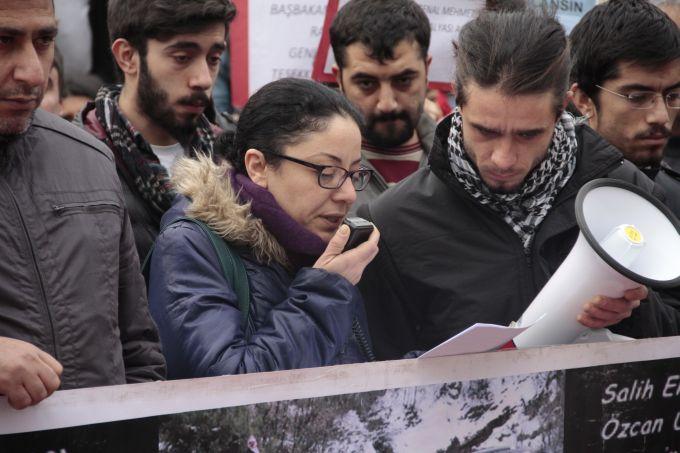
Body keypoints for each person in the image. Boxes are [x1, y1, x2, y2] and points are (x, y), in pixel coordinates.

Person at [357, 9, 680, 360]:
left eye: (528, 134)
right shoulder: (392, 223)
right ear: (458, 102)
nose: (503, 158)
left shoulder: (627, 192)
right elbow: (378, 374)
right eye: (485, 131)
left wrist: (637, 311)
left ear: (561, 112)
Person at [147, 78, 379, 378]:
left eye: (354, 173)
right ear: (258, 166)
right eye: (328, 172)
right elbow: (230, 389)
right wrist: (324, 292)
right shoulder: (188, 246)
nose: (348, 194)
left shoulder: (333, 247)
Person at [0, 0, 164, 410]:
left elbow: (138, 348)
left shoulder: (89, 160)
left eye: (44, 40)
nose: (34, 72)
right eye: (3, 41)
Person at [77, 0, 236, 262]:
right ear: (127, 57)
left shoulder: (236, 151)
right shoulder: (76, 159)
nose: (204, 79)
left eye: (213, 59)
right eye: (182, 58)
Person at [569, 0, 680, 218]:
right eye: (637, 97)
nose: (661, 117)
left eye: (673, 96)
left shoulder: (674, 199)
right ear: (583, 99)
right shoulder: (540, 200)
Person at [329, 0, 435, 209]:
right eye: (367, 83)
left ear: (426, 70)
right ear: (339, 79)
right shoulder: (311, 173)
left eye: (403, 80)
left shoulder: (468, 168)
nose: (387, 104)